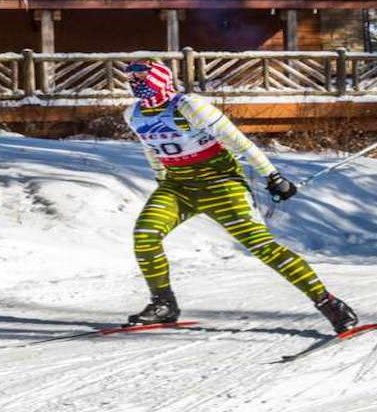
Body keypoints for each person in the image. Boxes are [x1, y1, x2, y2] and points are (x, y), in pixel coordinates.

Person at [118, 61, 358, 334]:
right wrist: (162, 181)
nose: (134, 80)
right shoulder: (133, 114)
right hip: (177, 186)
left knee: (261, 245)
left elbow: (238, 142)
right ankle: (163, 304)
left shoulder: (188, 105)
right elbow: (152, 150)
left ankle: (328, 303)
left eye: (140, 74)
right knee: (145, 234)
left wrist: (273, 176)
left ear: (161, 78)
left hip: (220, 183)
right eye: (130, 76)